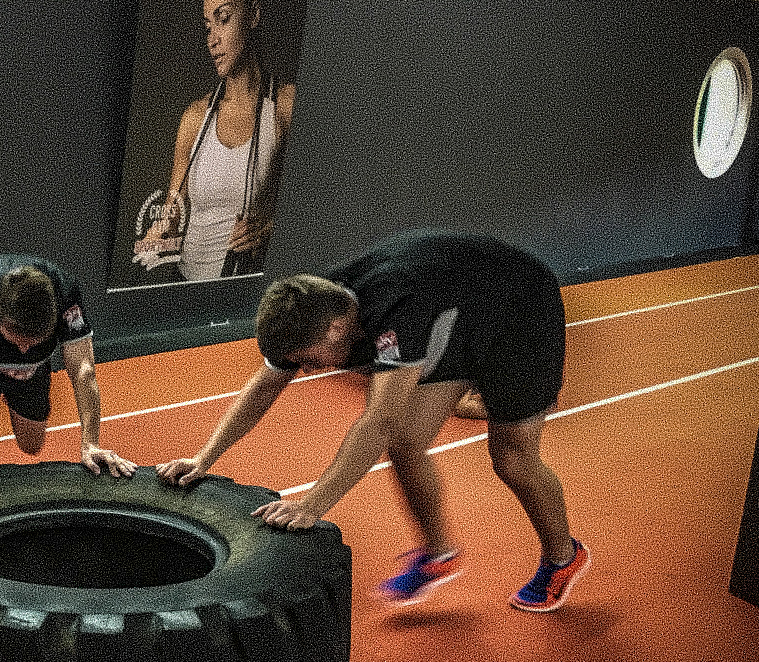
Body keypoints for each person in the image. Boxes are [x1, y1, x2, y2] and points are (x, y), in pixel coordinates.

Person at [157, 230, 591, 612]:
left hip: (520, 309)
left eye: (307, 363)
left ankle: (562, 557)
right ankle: (439, 554)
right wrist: (203, 458)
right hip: (457, 307)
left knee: (511, 457)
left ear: (334, 332)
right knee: (406, 443)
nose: (306, 372)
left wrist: (312, 504)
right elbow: (265, 385)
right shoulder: (311, 307)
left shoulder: (396, 308)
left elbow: (377, 420)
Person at [0, 254, 137, 486]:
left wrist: (91, 443)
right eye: (17, 339)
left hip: (32, 371)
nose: (22, 350)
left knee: (32, 445)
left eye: (33, 341)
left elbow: (84, 371)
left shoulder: (64, 293)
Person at [137, 0, 295, 283]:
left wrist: (269, 228)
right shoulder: (195, 117)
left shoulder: (283, 105)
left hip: (245, 290)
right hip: (184, 284)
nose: (213, 39)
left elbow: (319, 202)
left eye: (223, 19)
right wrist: (155, 234)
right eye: (208, 26)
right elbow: (174, 210)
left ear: (254, 15)